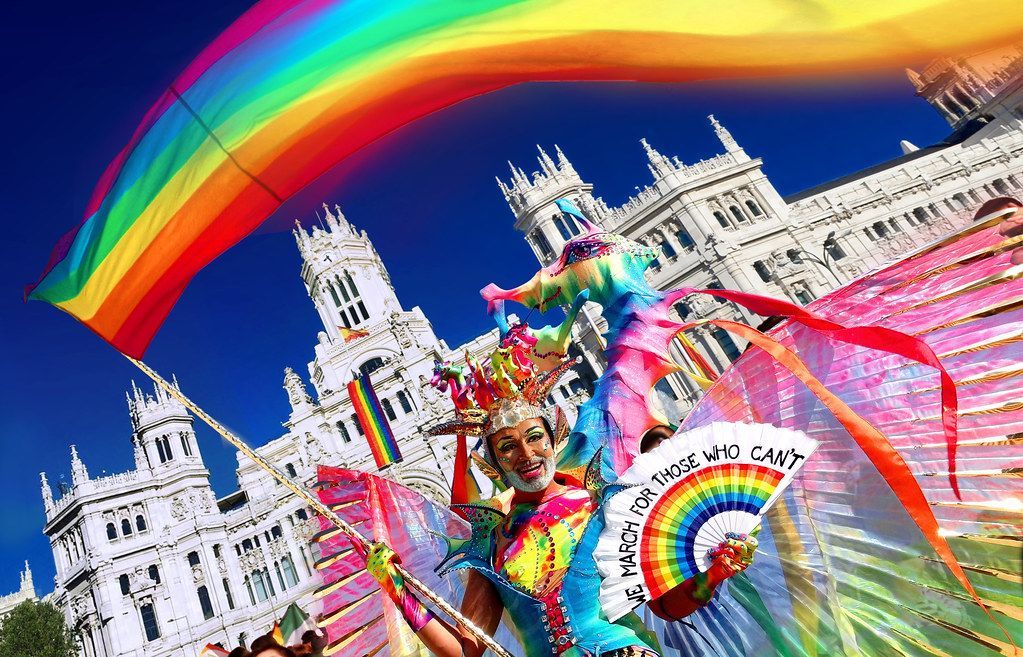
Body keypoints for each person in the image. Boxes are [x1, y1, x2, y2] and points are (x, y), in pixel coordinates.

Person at [363, 344, 758, 657]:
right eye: (507, 446)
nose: (527, 454)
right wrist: (396, 588)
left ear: (553, 440)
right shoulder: (488, 543)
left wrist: (714, 574)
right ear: (494, 464)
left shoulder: (606, 505)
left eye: (535, 437)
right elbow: (465, 648)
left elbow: (666, 608)